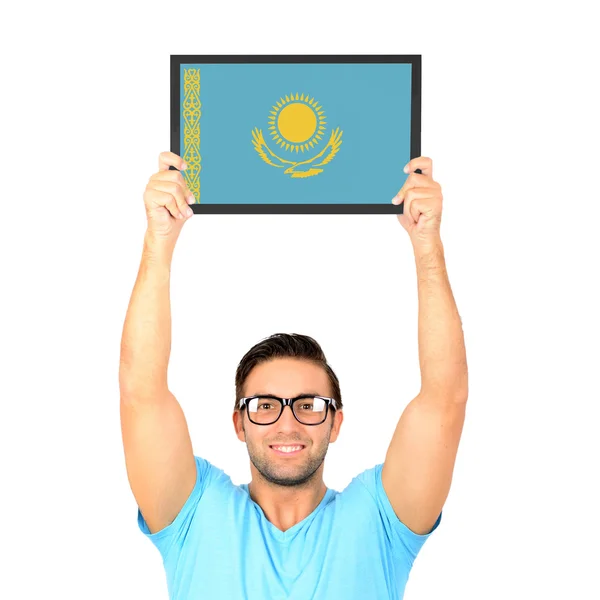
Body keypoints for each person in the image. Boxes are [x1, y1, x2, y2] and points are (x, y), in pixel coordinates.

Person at [119, 151, 468, 600]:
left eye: (308, 405)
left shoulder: (379, 521)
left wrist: (427, 246)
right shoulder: (195, 512)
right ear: (238, 423)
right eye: (264, 405)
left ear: (336, 421)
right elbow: (140, 391)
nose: (287, 423)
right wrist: (159, 239)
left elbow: (445, 400)